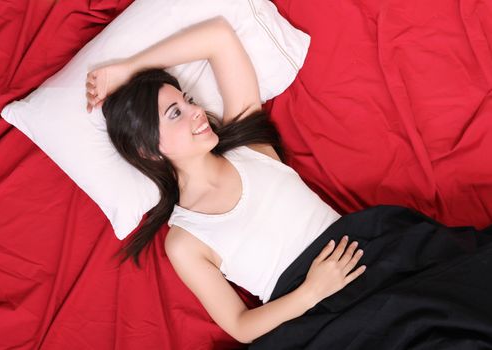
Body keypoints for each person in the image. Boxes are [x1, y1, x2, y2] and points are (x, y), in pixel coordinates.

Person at [85, 17, 492, 349]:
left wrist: (129, 69)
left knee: (456, 311)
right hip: (313, 310)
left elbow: (219, 38)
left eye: (187, 100)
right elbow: (240, 325)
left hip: (368, 254)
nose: (196, 113)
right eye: (175, 114)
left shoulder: (249, 145)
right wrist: (311, 292)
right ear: (148, 151)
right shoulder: (185, 238)